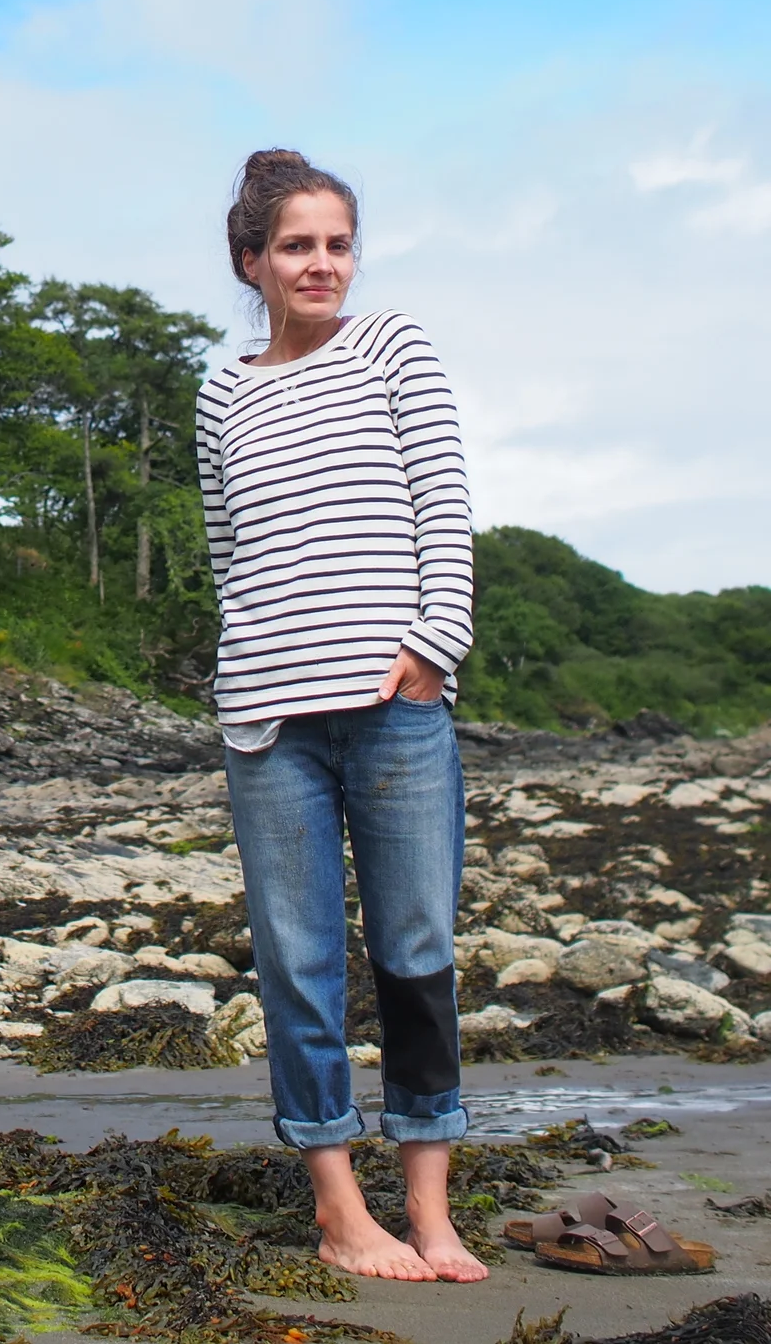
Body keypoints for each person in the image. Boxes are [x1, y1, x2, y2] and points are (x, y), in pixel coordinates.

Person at [196, 149, 486, 1284]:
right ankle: (338, 1207)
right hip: (267, 723)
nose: (321, 264)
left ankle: (429, 1210)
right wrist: (238, 678)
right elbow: (229, 553)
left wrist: (431, 650)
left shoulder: (392, 345)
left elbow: (444, 507)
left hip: (394, 709)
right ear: (251, 262)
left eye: (336, 243)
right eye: (295, 246)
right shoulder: (222, 389)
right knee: (299, 962)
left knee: (416, 951)